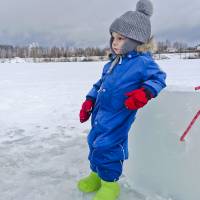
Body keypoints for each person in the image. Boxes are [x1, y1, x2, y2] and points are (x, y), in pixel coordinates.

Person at [78, 0, 166, 199]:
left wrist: (144, 93)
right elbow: (99, 84)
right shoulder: (112, 63)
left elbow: (159, 79)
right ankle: (96, 174)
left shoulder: (143, 62)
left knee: (108, 146)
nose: (114, 42)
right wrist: (89, 101)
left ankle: (110, 184)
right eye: (113, 38)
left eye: (120, 38)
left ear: (136, 40)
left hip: (119, 114)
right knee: (94, 141)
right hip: (101, 113)